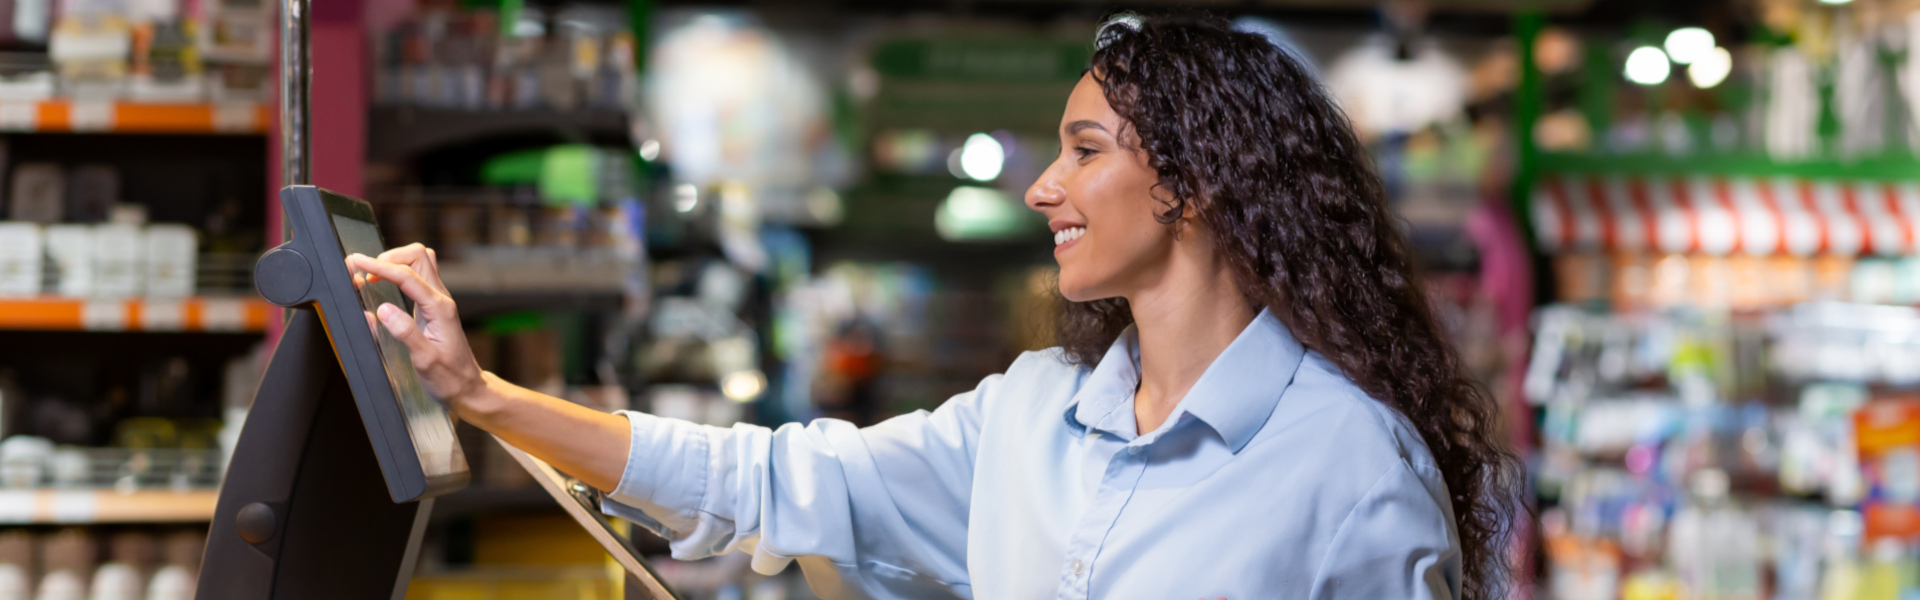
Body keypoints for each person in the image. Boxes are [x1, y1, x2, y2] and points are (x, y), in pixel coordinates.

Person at [347, 13, 1522, 600]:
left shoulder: (1352, 464)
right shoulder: (1030, 418)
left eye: (1083, 149)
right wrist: (479, 393)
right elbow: (767, 477)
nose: (1041, 185)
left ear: (1191, 181)